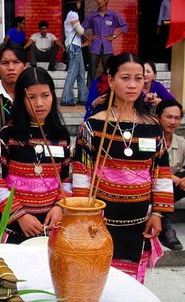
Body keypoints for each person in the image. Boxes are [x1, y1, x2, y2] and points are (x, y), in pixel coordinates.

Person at [72, 52, 174, 283]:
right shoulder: (94, 124)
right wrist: (84, 216)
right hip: (100, 220)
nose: (133, 84)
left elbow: (160, 172)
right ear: (110, 81)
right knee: (96, 280)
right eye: (125, 78)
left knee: (128, 285)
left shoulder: (152, 126)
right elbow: (81, 173)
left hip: (139, 222)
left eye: (138, 78)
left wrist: (158, 213)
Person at [0, 67, 71, 244]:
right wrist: (19, 215)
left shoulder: (61, 136)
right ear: (20, 99)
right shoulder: (7, 136)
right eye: (31, 97)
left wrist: (59, 207)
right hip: (13, 227)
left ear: (53, 96)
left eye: (45, 95)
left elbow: (66, 178)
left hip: (51, 226)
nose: (39, 103)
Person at [155, 100, 184, 251]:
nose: (173, 122)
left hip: (174, 189)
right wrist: (175, 179)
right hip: (152, 186)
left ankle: (166, 228)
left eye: (177, 118)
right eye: (169, 117)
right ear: (158, 117)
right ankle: (167, 230)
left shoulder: (181, 142)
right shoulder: (148, 139)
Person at [82, 0, 128, 88]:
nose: (99, 1)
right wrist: (89, 39)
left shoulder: (112, 15)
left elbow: (125, 26)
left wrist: (113, 36)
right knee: (91, 71)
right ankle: (88, 94)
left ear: (106, 0)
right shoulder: (93, 16)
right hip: (95, 47)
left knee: (109, 71)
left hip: (107, 47)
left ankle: (108, 91)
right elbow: (81, 28)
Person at [60, 0, 88, 107]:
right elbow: (80, 31)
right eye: (79, 2)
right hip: (74, 46)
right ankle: (67, 98)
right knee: (73, 72)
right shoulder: (73, 14)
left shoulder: (70, 14)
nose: (80, 4)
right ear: (75, 3)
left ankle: (83, 98)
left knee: (81, 73)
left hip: (76, 46)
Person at [156, 0, 171, 70]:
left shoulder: (177, 2)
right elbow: (161, 14)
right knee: (165, 42)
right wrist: (159, 26)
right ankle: (163, 58)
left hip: (174, 24)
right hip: (165, 23)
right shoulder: (164, 2)